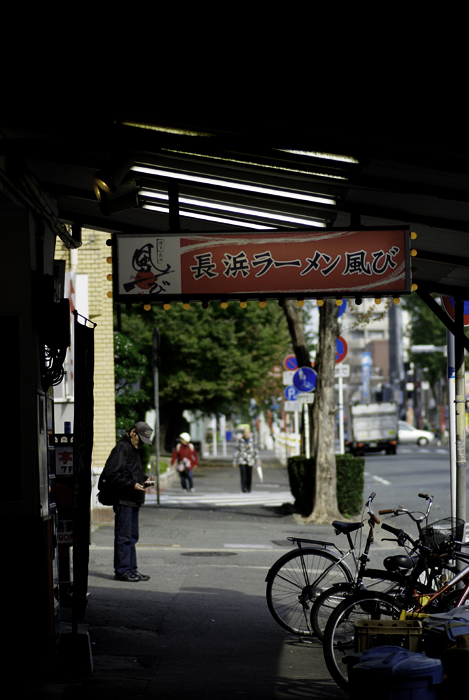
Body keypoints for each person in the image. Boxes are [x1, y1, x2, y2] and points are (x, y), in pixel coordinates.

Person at [101, 421, 154, 582]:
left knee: (132, 537)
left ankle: (132, 569)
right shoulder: (121, 449)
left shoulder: (133, 449)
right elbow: (112, 475)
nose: (142, 444)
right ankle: (122, 570)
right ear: (133, 433)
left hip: (133, 498)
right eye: (141, 439)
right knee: (124, 536)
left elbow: (131, 474)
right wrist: (132, 484)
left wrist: (144, 481)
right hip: (124, 499)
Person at [232, 426, 261, 493]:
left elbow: (255, 451)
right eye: (245, 432)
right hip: (242, 460)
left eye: (248, 432)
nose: (246, 434)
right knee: (243, 474)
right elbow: (236, 451)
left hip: (250, 461)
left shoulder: (253, 441)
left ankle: (248, 488)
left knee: (249, 475)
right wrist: (234, 461)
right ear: (243, 433)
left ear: (250, 433)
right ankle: (244, 488)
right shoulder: (240, 441)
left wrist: (258, 460)